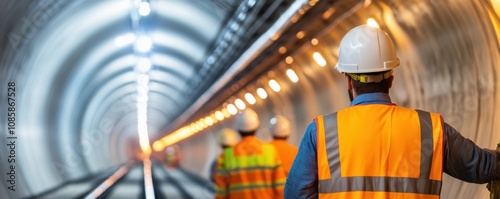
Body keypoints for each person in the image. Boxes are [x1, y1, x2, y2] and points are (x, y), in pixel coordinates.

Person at [284, 24, 500, 198]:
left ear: (349, 82)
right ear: (391, 80)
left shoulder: (321, 132)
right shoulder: (430, 128)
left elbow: (296, 194)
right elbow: (482, 167)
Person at [214, 108, 287, 199]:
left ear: (238, 129)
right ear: (256, 127)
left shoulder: (226, 156)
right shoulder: (270, 151)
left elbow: (221, 190)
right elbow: (280, 186)